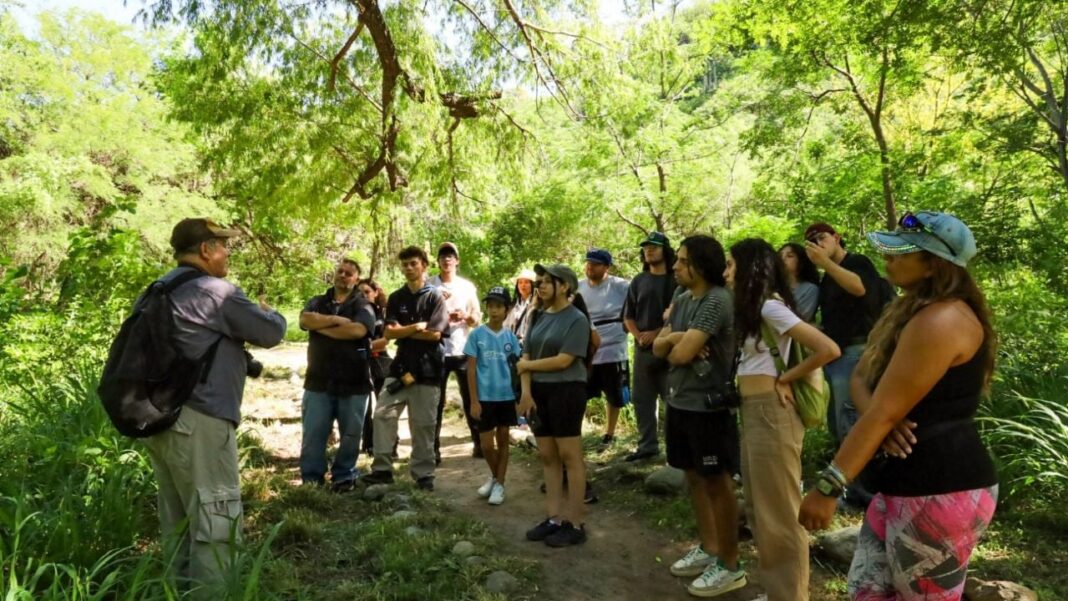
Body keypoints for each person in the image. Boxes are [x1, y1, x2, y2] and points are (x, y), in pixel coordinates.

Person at [799, 211, 998, 601]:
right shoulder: (910, 311)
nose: (888, 259)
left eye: (902, 252)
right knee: (867, 591)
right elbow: (861, 379)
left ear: (933, 264)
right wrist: (885, 418)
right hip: (902, 483)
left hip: (940, 487)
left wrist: (828, 486)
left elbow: (882, 411)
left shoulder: (941, 320)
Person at [142, 218, 286, 595]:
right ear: (206, 250)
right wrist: (270, 311)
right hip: (201, 420)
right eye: (223, 247)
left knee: (178, 523)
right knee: (215, 520)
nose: (227, 254)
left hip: (162, 418)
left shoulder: (159, 288)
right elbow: (271, 331)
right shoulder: (213, 291)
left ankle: (178, 593)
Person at [726, 239, 840, 601]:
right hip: (755, 411)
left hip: (771, 412)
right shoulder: (753, 310)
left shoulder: (770, 307)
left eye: (731, 265)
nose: (726, 273)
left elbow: (828, 349)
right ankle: (779, 592)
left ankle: (790, 596)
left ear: (750, 269)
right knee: (761, 511)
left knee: (779, 514)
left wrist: (786, 378)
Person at [653, 235, 743, 598]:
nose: (675, 266)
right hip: (680, 402)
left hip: (709, 408)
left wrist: (676, 343)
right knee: (693, 477)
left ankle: (730, 565)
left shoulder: (717, 300)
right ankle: (709, 548)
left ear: (701, 265)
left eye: (682, 260)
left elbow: (677, 354)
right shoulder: (681, 296)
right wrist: (678, 338)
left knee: (717, 483)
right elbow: (659, 346)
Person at [805, 221, 885, 507]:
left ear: (837, 237)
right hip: (836, 357)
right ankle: (855, 488)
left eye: (821, 238)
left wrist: (826, 263)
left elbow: (860, 288)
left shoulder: (857, 263)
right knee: (840, 423)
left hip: (857, 353)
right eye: (811, 241)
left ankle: (863, 492)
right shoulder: (826, 279)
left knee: (852, 424)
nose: (816, 244)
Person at [518, 263, 592, 547]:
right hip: (539, 392)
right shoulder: (536, 315)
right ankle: (554, 518)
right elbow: (526, 354)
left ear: (565, 286)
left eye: (548, 281)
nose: (541, 285)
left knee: (570, 457)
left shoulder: (577, 319)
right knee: (548, 457)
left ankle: (576, 522)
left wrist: (527, 367)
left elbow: (565, 360)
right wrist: (526, 393)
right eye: (540, 281)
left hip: (567, 390)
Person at [364, 246, 449, 491]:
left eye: (413, 263)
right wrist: (416, 327)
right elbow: (389, 333)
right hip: (399, 369)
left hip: (428, 370)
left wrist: (403, 331)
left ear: (424, 265)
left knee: (423, 424)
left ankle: (424, 475)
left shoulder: (435, 297)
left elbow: (434, 335)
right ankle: (382, 470)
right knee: (382, 414)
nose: (409, 268)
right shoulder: (396, 298)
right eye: (405, 264)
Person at [298, 258, 376, 492]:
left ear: (356, 279)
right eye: (340, 271)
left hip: (354, 381)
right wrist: (333, 320)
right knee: (313, 434)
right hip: (318, 380)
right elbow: (304, 319)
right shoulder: (318, 301)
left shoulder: (363, 305)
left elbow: (358, 330)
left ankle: (344, 476)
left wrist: (320, 328)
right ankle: (312, 480)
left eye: (349, 273)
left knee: (351, 435)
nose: (343, 275)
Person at [464, 286, 522, 505]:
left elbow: (517, 368)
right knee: (486, 445)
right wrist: (474, 401)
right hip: (484, 398)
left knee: (504, 440)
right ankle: (496, 478)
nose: (494, 310)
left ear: (507, 309)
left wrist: (519, 397)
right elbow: (471, 369)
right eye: (490, 306)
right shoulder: (476, 335)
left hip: (506, 397)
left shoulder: (511, 337)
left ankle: (499, 484)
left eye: (499, 306)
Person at [622, 231, 677, 462]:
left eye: (654, 246)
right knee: (642, 398)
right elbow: (628, 315)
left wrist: (657, 333)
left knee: (673, 400)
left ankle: (676, 450)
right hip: (643, 350)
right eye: (646, 247)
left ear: (666, 250)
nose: (649, 250)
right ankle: (647, 446)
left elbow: (682, 315)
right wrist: (638, 336)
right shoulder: (638, 280)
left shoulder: (677, 280)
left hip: (672, 349)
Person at [428, 242, 483, 461]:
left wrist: (465, 316)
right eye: (443, 256)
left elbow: (477, 318)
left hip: (463, 349)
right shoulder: (429, 285)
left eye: (451, 255)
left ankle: (479, 444)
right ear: (438, 261)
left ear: (457, 261)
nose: (447, 259)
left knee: (471, 398)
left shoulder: (466, 287)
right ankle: (433, 449)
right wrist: (440, 310)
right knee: (435, 402)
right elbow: (422, 314)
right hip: (437, 349)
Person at [578, 248, 630, 447]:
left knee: (614, 395)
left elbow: (636, 305)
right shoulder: (578, 287)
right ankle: (576, 432)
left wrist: (629, 325)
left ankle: (610, 433)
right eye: (588, 263)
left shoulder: (621, 286)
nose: (590, 267)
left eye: (595, 264)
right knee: (581, 392)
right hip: (588, 348)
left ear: (606, 267)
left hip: (614, 348)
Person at [357, 277, 391, 455]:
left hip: (380, 361)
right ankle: (368, 444)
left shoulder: (383, 313)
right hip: (359, 361)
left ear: (376, 293)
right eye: (359, 292)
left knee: (384, 405)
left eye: (367, 292)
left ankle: (389, 445)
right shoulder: (353, 312)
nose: (363, 295)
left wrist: (365, 346)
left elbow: (385, 340)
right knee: (364, 406)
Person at [778, 242, 820, 322]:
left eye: (790, 256)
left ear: (801, 262)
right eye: (780, 256)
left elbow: (800, 320)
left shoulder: (809, 289)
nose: (782, 259)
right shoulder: (772, 286)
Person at [504, 268, 537, 343]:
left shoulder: (537, 305)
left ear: (532, 284)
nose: (523, 285)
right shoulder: (512, 306)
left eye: (526, 282)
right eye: (520, 282)